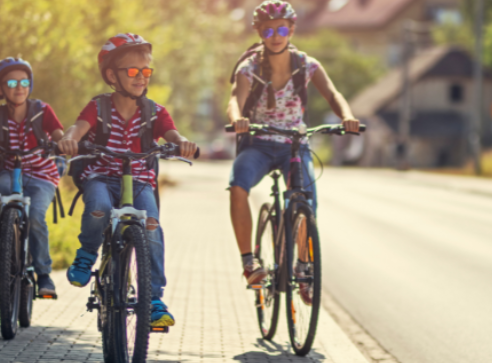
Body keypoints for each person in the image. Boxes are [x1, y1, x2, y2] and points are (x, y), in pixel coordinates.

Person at [58, 33, 198, 328]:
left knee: (151, 226)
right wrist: (70, 140)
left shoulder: (154, 112)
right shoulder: (98, 107)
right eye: (132, 71)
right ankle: (86, 254)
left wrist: (183, 143)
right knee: (97, 207)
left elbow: (173, 134)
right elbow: (78, 128)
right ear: (112, 74)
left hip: (140, 181)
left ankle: (154, 298)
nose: (140, 77)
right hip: (101, 176)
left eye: (146, 71)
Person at [228, 1, 361, 290]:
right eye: (268, 30)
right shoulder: (249, 67)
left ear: (291, 30)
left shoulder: (307, 65)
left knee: (305, 200)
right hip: (259, 143)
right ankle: (249, 262)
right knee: (238, 186)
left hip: (295, 146)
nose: (275, 35)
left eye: (282, 29)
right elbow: (234, 100)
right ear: (260, 33)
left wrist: (347, 116)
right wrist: (238, 119)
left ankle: (303, 266)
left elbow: (333, 94)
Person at [0, 57, 64, 297]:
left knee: (36, 217)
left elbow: (58, 133)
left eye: (24, 81)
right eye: (12, 82)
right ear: (0, 89)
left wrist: (62, 143)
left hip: (42, 175)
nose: (19, 87)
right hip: (10, 171)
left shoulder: (42, 111)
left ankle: (44, 274)